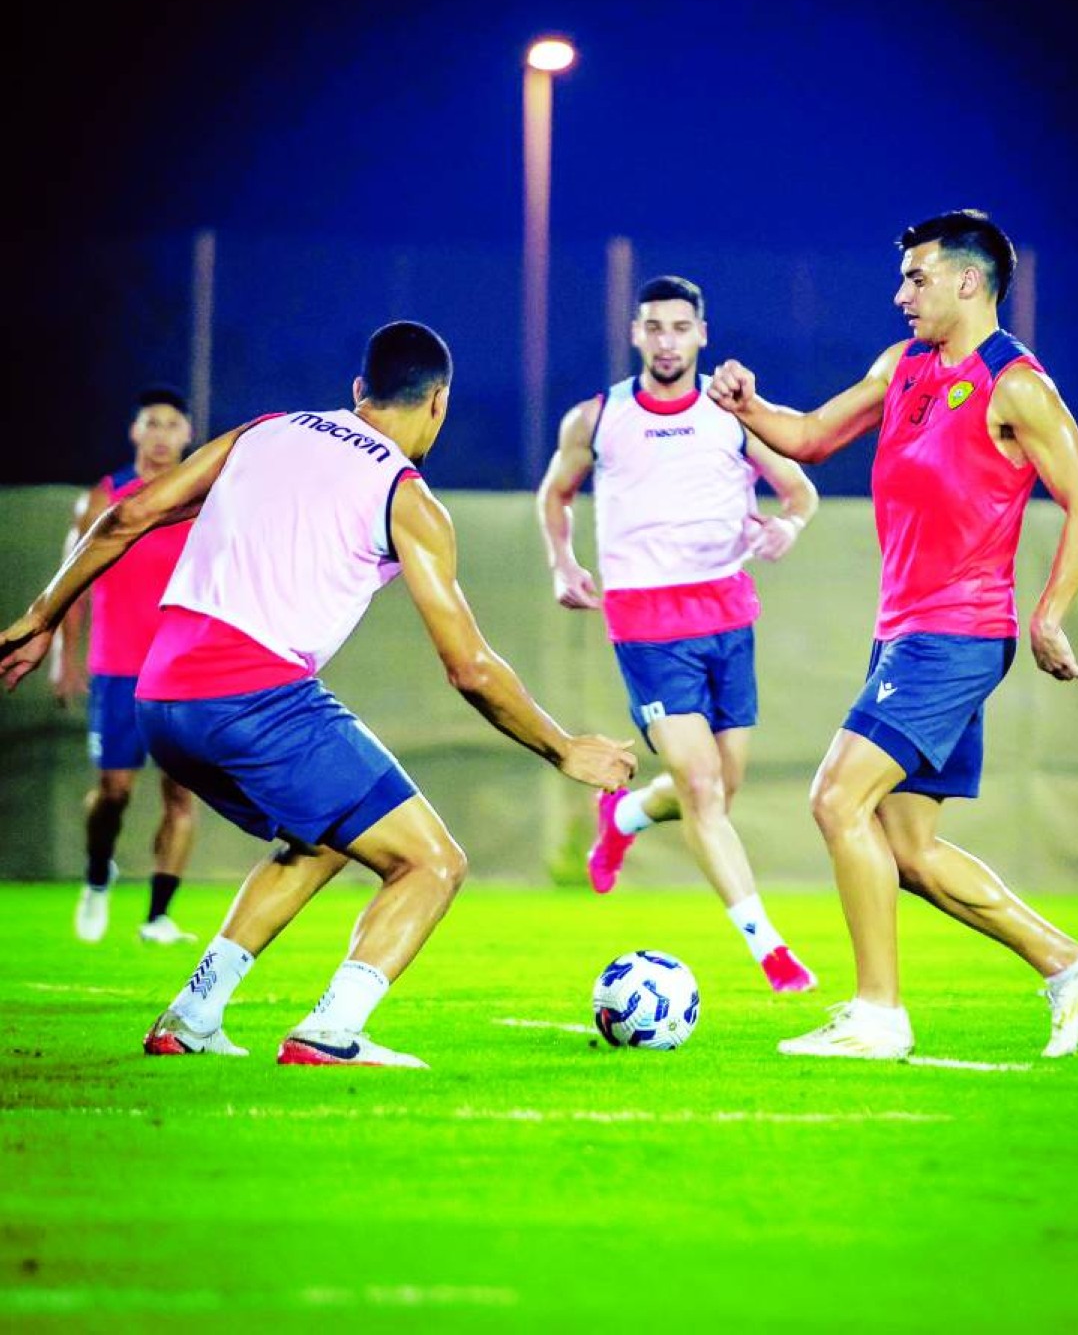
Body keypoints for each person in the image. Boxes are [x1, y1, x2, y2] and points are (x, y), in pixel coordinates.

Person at [1, 321, 636, 1067]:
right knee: (432, 862)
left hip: (159, 696)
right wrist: (563, 748)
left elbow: (130, 514)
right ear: (439, 402)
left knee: (323, 834)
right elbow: (469, 667)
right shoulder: (407, 497)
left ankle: (193, 1014)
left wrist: (42, 617)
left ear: (359, 390)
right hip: (255, 696)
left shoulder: (266, 430)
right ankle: (331, 1031)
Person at [709, 209, 1078, 1060]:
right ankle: (1070, 964)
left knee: (836, 800)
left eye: (917, 278)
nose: (902, 295)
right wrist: (749, 407)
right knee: (907, 850)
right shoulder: (902, 366)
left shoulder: (1018, 386)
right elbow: (812, 437)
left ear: (969, 281)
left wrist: (1049, 613)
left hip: (957, 635)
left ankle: (878, 1014)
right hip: (904, 634)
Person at [537, 275, 820, 993]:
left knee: (723, 787)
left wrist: (787, 527)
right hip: (645, 621)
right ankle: (770, 950)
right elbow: (556, 494)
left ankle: (625, 814)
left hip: (727, 613)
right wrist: (563, 562)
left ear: (702, 334)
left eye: (680, 327)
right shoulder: (597, 418)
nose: (667, 341)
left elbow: (800, 491)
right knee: (700, 784)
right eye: (654, 327)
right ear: (636, 334)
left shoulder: (732, 416)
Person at [49, 385, 198, 945]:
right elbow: (70, 582)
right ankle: (97, 875)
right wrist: (64, 657)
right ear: (135, 431)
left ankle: (157, 917)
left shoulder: (203, 498)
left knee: (181, 795)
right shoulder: (104, 498)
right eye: (151, 423)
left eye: (172, 424)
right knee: (114, 792)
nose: (161, 435)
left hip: (184, 672)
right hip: (116, 670)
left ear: (188, 435)